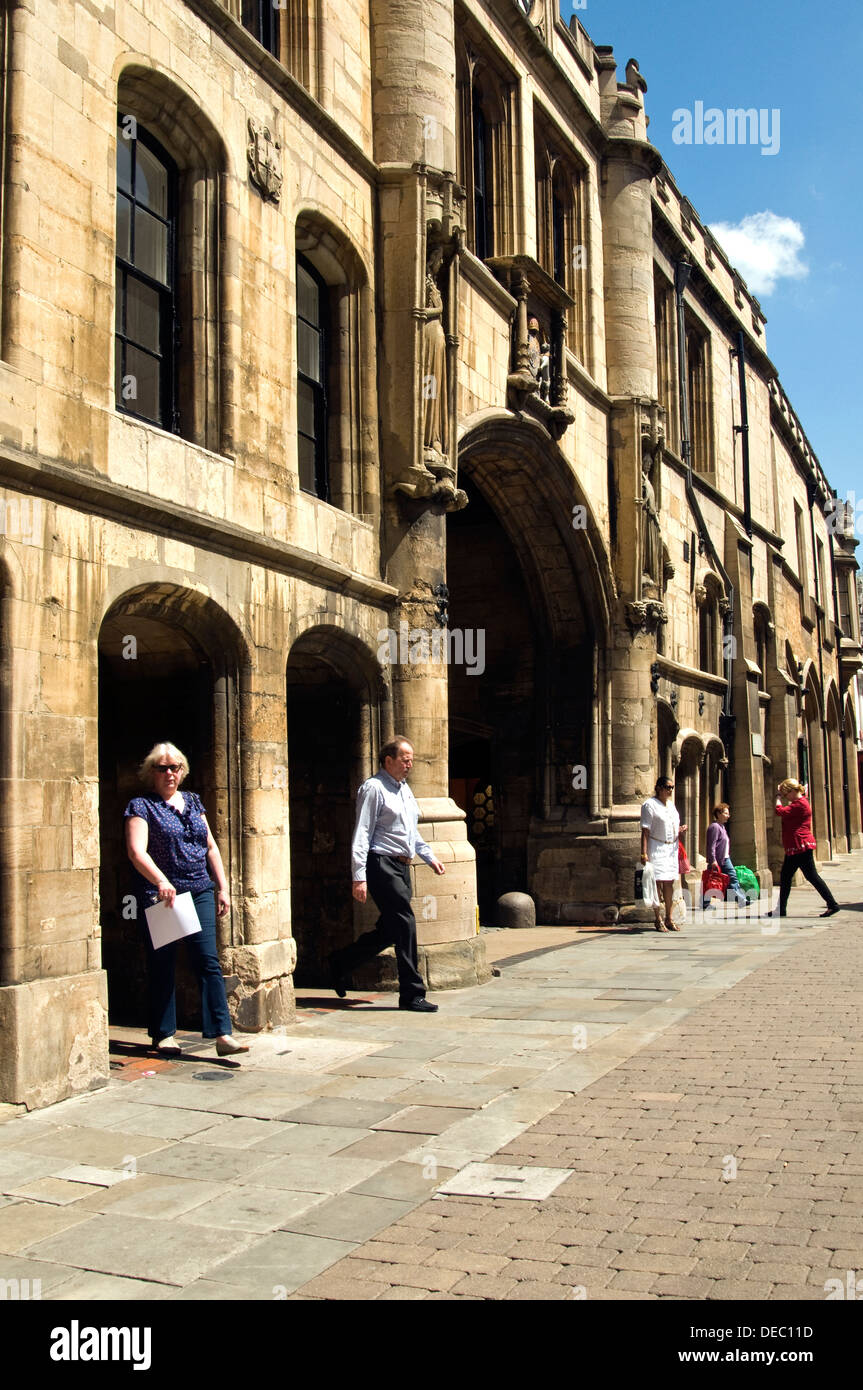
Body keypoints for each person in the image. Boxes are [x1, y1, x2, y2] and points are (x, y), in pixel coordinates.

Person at [124, 742, 249, 1057]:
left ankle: (222, 1033)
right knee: (163, 962)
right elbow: (136, 851)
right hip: (164, 894)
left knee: (208, 960)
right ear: (151, 772)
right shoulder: (141, 806)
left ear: (182, 771)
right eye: (162, 768)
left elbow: (211, 847)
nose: (169, 773)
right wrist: (161, 881)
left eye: (174, 767)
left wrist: (222, 887)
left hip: (199, 888)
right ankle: (164, 1034)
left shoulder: (193, 801)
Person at [330, 737, 446, 1012]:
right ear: (388, 761)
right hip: (381, 863)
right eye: (405, 759)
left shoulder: (405, 790)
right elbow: (362, 833)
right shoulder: (374, 788)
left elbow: (410, 832)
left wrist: (429, 856)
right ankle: (411, 993)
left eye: (411, 759)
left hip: (402, 866)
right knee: (405, 922)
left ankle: (340, 963)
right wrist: (359, 876)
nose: (409, 764)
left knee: (389, 929)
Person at [767, 778, 840, 919]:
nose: (785, 797)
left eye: (786, 794)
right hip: (797, 845)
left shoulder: (799, 804)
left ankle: (832, 904)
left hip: (799, 845)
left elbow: (779, 811)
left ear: (793, 791)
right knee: (787, 877)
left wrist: (777, 797)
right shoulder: (800, 802)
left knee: (810, 876)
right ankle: (781, 909)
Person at [640, 776, 687, 931]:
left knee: (670, 882)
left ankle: (669, 917)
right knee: (656, 883)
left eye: (672, 787)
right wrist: (643, 852)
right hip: (656, 846)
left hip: (671, 849)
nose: (670, 790)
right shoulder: (649, 805)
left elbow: (671, 826)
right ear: (659, 788)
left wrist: (679, 831)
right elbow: (645, 830)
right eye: (668, 787)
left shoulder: (671, 806)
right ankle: (657, 917)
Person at [705, 803, 748, 909]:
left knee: (720, 879)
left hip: (724, 858)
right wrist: (713, 859)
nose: (728, 816)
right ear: (719, 814)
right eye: (726, 813)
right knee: (725, 878)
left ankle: (741, 899)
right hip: (718, 859)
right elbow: (712, 845)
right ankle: (741, 899)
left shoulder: (722, 827)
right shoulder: (715, 827)